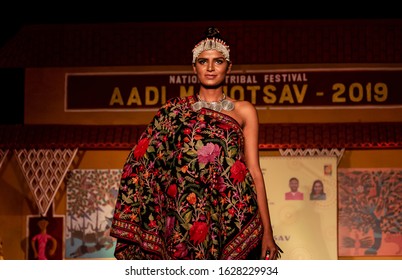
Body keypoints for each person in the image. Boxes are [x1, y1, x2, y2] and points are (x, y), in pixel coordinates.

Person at [110, 26, 281, 260]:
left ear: (228, 67)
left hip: (236, 218)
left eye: (218, 61)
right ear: (194, 67)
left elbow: (254, 171)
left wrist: (268, 232)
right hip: (187, 219)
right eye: (203, 61)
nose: (210, 68)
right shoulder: (172, 112)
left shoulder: (244, 110)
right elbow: (142, 161)